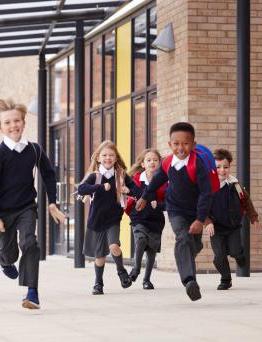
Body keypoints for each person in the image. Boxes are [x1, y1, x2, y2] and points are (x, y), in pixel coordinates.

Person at [0, 98, 66, 310]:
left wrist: (52, 203)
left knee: (30, 243)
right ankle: (3, 258)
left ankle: (32, 292)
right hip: (2, 212)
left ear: (23, 122)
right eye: (8, 123)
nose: (13, 125)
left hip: (26, 208)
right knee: (10, 253)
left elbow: (48, 174)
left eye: (16, 121)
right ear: (1, 128)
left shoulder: (34, 150)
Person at [135, 122, 212, 301]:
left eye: (185, 143)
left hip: (195, 211)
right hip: (175, 209)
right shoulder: (168, 162)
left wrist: (200, 219)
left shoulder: (198, 164)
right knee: (183, 238)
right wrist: (145, 196)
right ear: (170, 145)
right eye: (176, 143)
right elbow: (157, 180)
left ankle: (187, 256)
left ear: (193, 144)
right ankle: (189, 281)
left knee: (194, 245)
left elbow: (206, 194)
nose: (181, 147)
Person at [77, 140, 137, 295]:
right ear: (98, 158)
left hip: (113, 219)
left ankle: (121, 272)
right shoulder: (95, 176)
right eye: (104, 155)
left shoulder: (121, 175)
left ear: (116, 158)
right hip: (96, 220)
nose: (108, 158)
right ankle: (98, 283)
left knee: (114, 246)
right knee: (100, 256)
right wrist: (100, 187)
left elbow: (137, 190)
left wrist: (127, 189)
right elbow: (82, 189)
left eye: (111, 155)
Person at [204, 148, 260, 290]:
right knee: (219, 257)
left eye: (226, 167)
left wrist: (253, 217)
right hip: (215, 228)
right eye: (218, 167)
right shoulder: (207, 186)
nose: (222, 170)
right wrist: (207, 222)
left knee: (235, 251)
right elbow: (200, 206)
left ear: (230, 167)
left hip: (233, 226)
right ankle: (226, 279)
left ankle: (239, 255)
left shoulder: (235, 184)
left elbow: (246, 200)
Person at [126, 148, 166, 290]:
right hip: (139, 217)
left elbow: (169, 202)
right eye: (149, 160)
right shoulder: (136, 180)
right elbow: (128, 195)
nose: (152, 162)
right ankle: (136, 269)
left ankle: (147, 280)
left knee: (151, 251)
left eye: (155, 160)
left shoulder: (163, 181)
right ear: (143, 164)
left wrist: (159, 205)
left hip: (156, 219)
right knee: (141, 239)